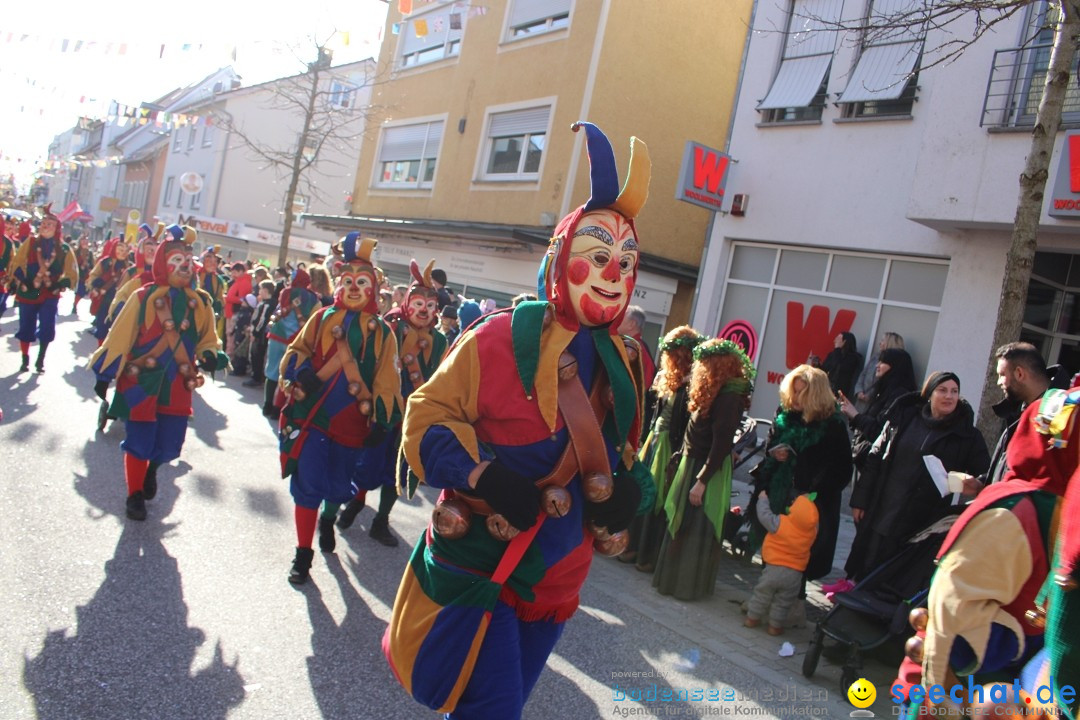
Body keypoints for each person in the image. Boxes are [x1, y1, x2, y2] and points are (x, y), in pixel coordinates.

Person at [385, 122, 653, 719]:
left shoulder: (630, 362)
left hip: (557, 579)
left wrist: (630, 493)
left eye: (625, 261)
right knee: (493, 709)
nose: (613, 273)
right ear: (560, 260)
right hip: (483, 559)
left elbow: (629, 456)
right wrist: (483, 477)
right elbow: (426, 417)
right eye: (598, 256)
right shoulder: (501, 337)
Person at [890, 384, 1080, 717]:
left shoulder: (1059, 503)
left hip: (1012, 673)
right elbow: (950, 606)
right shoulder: (1015, 511)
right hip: (968, 677)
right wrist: (939, 696)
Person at [277, 233, 402, 585]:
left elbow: (387, 380)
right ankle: (303, 554)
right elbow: (298, 349)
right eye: (347, 281)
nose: (352, 288)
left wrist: (382, 416)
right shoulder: (321, 318)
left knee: (336, 484)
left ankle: (329, 520)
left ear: (373, 288)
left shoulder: (383, 333)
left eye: (361, 282)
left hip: (351, 423)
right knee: (308, 482)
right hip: (315, 416)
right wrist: (299, 373)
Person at [89, 224, 226, 521]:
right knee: (139, 440)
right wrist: (105, 372)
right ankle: (134, 495)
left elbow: (208, 337)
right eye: (177, 261)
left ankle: (153, 468)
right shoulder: (144, 296)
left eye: (188, 262)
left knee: (168, 446)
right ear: (164, 263)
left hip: (178, 382)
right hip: (141, 380)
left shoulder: (200, 300)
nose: (184, 266)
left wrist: (211, 353)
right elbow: (120, 335)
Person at [338, 259, 448, 548]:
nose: (424, 310)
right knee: (367, 464)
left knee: (396, 473)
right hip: (382, 411)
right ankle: (356, 503)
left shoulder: (439, 342)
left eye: (430, 305)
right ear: (408, 302)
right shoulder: (390, 328)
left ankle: (381, 520)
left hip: (411, 419)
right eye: (419, 303)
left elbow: (441, 379)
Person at [844, 371, 990, 583]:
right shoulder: (904, 418)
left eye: (954, 391)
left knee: (898, 575)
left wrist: (975, 483)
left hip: (922, 521)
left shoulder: (967, 435)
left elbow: (985, 472)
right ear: (929, 393)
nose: (949, 396)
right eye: (942, 390)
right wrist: (860, 499)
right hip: (882, 509)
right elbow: (875, 458)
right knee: (867, 566)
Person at [653, 338, 755, 601]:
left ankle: (685, 587)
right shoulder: (714, 389)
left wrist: (702, 481)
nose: (698, 367)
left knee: (695, 528)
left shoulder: (729, 397)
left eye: (704, 363)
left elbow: (721, 444)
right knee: (680, 523)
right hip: (693, 463)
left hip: (705, 469)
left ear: (717, 365)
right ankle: (671, 582)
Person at [748, 365, 851, 614]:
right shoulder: (785, 414)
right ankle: (763, 601)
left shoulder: (833, 424)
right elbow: (770, 447)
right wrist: (775, 453)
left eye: (801, 394)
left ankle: (792, 608)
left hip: (812, 502)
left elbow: (842, 470)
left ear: (815, 396)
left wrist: (812, 493)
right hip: (780, 491)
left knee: (803, 555)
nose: (795, 400)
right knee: (773, 547)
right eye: (792, 392)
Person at [620, 325, 702, 572]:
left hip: (670, 445)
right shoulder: (668, 377)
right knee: (642, 490)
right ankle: (632, 546)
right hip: (654, 440)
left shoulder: (692, 383)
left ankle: (647, 554)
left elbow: (687, 423)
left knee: (657, 497)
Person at [10, 204, 79, 372]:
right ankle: (25, 359)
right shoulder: (31, 242)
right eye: (43, 223)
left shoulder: (63, 248)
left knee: (47, 326)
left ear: (56, 228)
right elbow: (18, 261)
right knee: (26, 325)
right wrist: (23, 280)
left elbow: (72, 272)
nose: (45, 227)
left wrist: (60, 284)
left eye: (50, 224)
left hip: (49, 293)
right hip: (30, 290)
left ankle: (40, 359)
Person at [745, 488, 818, 636]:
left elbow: (765, 516)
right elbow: (812, 522)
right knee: (783, 602)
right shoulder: (811, 533)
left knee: (762, 594)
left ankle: (752, 618)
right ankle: (775, 627)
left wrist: (763, 500)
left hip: (774, 569)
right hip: (794, 575)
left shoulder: (780, 523)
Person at [840, 346, 917, 469]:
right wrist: (853, 416)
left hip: (877, 464)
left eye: (883, 362)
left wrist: (856, 416)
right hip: (866, 460)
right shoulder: (883, 389)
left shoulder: (899, 396)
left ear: (895, 366)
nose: (877, 365)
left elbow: (880, 431)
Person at [263, 269, 320, 418]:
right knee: (287, 373)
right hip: (296, 340)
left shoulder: (286, 292)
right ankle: (277, 409)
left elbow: (277, 312)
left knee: (272, 371)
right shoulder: (313, 299)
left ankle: (267, 405)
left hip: (277, 335)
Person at [87, 236, 134, 346]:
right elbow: (93, 276)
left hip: (120, 301)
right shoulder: (105, 262)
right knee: (102, 328)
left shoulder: (130, 267)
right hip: (104, 299)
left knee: (116, 330)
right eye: (120, 249)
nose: (123, 253)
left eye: (125, 250)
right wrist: (94, 287)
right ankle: (100, 349)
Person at [853, 331, 904, 413]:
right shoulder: (875, 357)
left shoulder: (896, 363)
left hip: (875, 404)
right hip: (861, 401)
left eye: (883, 340)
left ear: (890, 343)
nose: (880, 343)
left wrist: (870, 395)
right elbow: (863, 374)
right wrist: (859, 391)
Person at [617, 304, 657, 391]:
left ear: (631, 324)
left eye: (621, 317)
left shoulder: (633, 348)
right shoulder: (639, 346)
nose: (616, 320)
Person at [244, 280, 275, 388]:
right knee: (254, 355)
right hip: (258, 333)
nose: (259, 291)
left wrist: (255, 333)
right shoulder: (264, 302)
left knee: (257, 355)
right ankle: (256, 376)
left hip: (260, 335)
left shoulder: (268, 304)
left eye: (261, 289)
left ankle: (256, 377)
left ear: (266, 290)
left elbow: (262, 320)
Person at [820, 331, 863, 400]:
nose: (835, 341)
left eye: (838, 339)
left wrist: (837, 349)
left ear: (844, 342)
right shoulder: (832, 354)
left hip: (842, 393)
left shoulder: (854, 358)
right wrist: (817, 364)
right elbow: (824, 369)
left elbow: (840, 366)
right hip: (827, 390)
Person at [72, 235, 94, 315]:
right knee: (79, 291)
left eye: (86, 241)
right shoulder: (76, 252)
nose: (85, 242)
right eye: (83, 240)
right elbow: (72, 263)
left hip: (86, 275)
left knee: (84, 291)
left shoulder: (90, 253)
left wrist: (89, 268)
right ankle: (74, 306)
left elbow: (92, 264)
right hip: (78, 274)